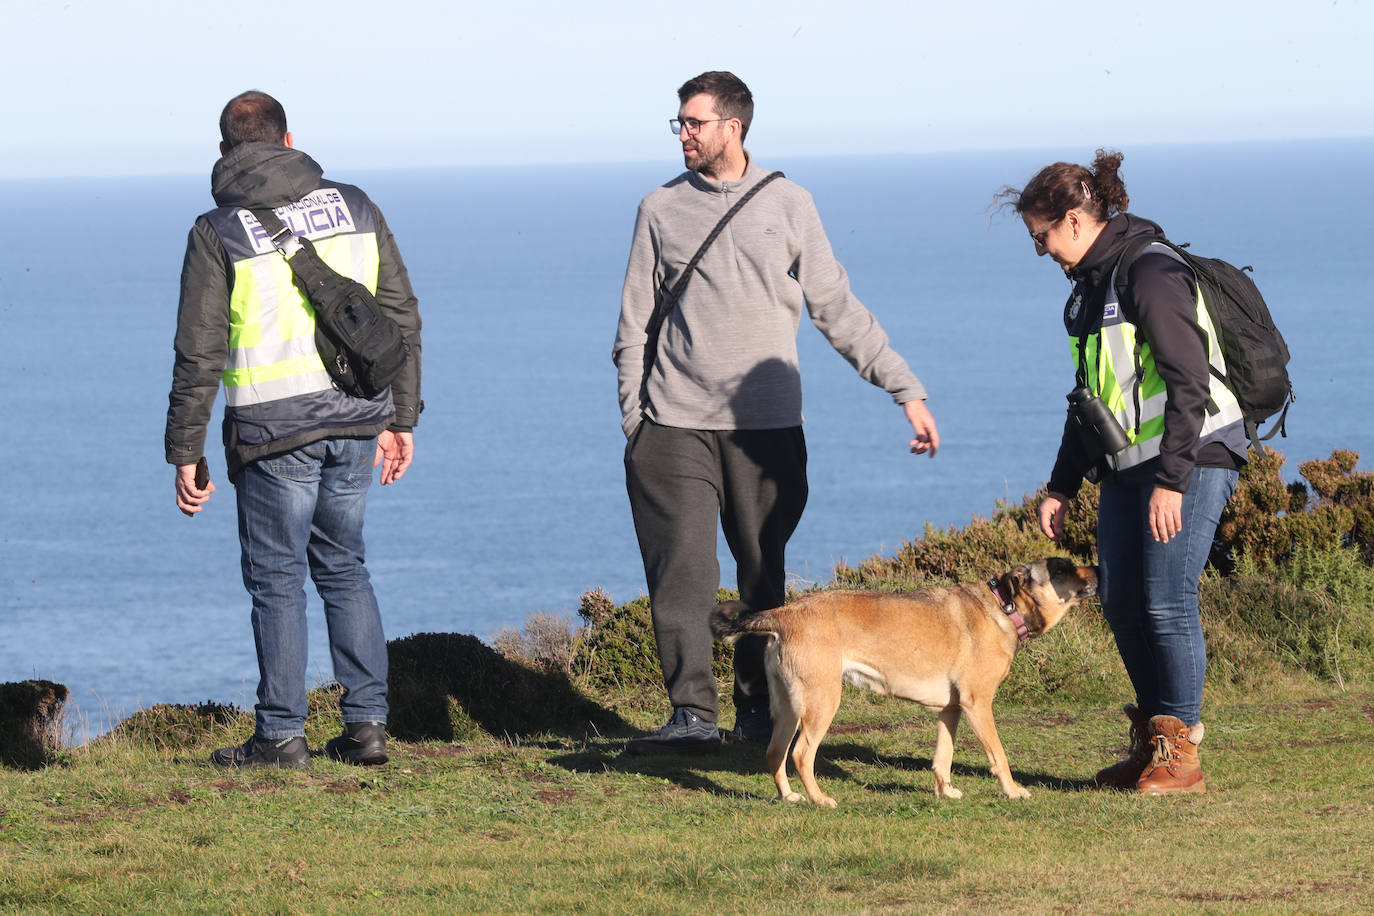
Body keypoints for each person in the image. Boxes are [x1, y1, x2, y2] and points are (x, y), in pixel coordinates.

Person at [612, 71, 939, 755]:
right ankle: (692, 716)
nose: (683, 134)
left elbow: (836, 308)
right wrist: (635, 421)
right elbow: (634, 324)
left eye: (694, 123)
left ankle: (760, 711)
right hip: (673, 424)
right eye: (678, 123)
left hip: (767, 430)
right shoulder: (658, 209)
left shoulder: (790, 204)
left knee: (764, 572)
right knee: (682, 572)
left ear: (733, 127)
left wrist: (902, 387)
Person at [165, 91, 423, 769]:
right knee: (345, 567)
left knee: (277, 579)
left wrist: (185, 452)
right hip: (359, 418)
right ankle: (367, 727)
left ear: (225, 153)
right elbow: (399, 318)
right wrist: (402, 417)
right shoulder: (357, 206)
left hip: (274, 433)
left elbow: (199, 353)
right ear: (288, 140)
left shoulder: (217, 231)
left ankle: (281, 734)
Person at [1003, 149, 1246, 794]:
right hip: (1128, 465)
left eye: (1042, 237)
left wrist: (1173, 478)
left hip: (1191, 457)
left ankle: (1181, 752)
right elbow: (1089, 399)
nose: (1043, 251)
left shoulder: (1150, 271)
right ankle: (1152, 744)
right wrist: (1060, 484)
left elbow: (1189, 381)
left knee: (1166, 600)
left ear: (1075, 220)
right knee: (1119, 597)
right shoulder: (1091, 289)